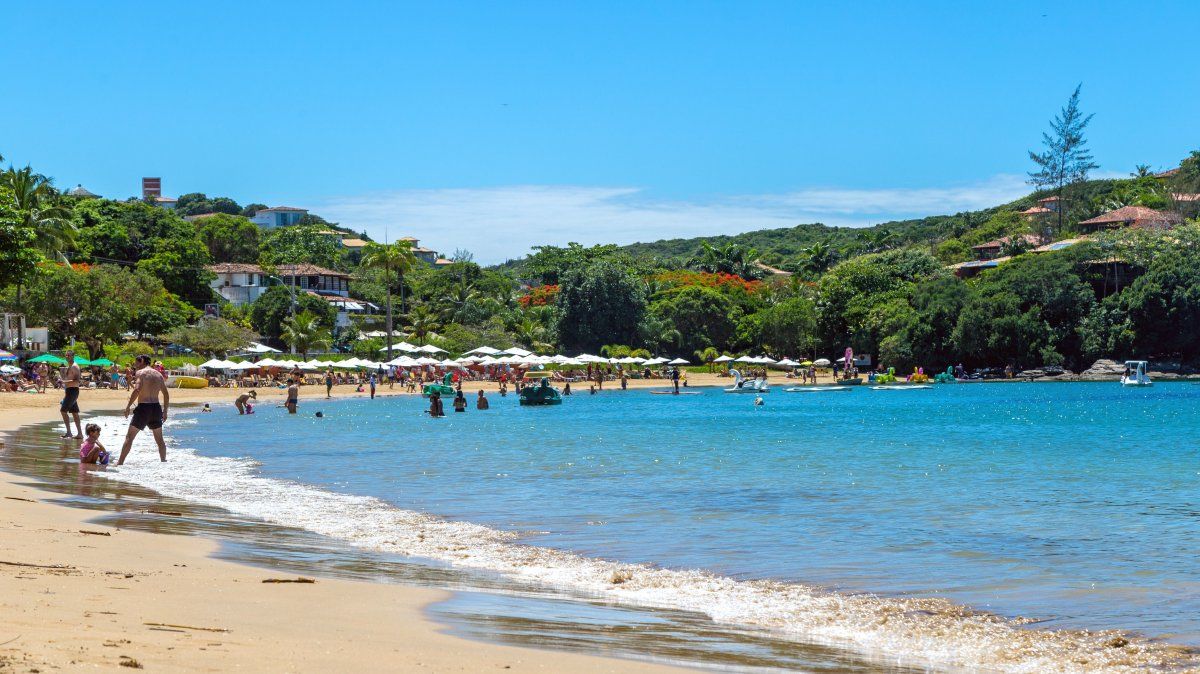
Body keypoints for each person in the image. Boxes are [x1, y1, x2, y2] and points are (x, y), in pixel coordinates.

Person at [117, 355, 169, 465]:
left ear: (141, 361)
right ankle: (164, 463)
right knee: (160, 440)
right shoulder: (158, 374)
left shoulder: (141, 373)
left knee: (129, 437)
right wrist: (165, 411)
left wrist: (128, 407)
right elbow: (166, 394)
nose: (135, 365)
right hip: (156, 408)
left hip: (144, 408)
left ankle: (120, 463)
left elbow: (137, 390)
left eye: (136, 362)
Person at [59, 351, 83, 439]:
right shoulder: (69, 366)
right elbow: (69, 378)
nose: (67, 357)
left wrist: (64, 381)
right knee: (74, 412)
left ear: (73, 356)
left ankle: (69, 432)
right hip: (70, 391)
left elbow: (77, 380)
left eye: (69, 355)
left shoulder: (74, 366)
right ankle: (80, 434)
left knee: (63, 411)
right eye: (66, 355)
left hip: (73, 391)